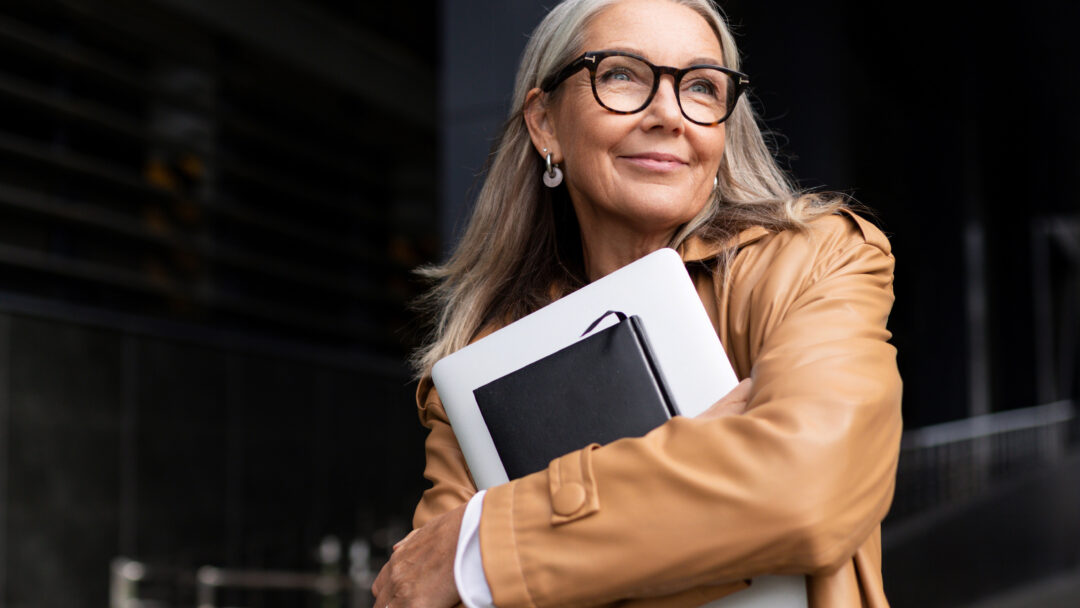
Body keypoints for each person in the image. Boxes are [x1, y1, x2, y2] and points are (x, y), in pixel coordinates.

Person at [373, 0, 902, 606]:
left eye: (701, 86)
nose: (668, 115)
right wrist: (706, 453)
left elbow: (809, 488)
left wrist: (490, 542)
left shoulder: (816, 260)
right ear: (545, 122)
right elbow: (423, 588)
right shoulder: (477, 366)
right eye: (621, 73)